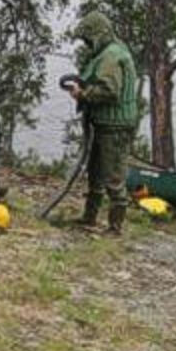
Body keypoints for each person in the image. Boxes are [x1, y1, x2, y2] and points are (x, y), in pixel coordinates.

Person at [66, 12, 138, 234]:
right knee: (95, 172)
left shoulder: (110, 57)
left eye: (88, 39)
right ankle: (89, 217)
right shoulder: (111, 51)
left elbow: (109, 90)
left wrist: (84, 94)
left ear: (98, 35)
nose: (86, 44)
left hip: (115, 126)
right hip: (105, 124)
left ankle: (115, 227)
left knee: (113, 176)